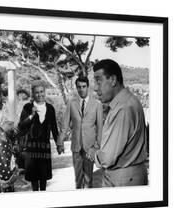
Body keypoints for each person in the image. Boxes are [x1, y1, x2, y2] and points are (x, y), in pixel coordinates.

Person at [87, 59, 148, 187]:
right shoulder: (128, 101)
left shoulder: (122, 108)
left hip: (123, 179)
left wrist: (94, 153)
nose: (96, 88)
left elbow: (108, 158)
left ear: (113, 80)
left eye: (99, 80)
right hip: (129, 176)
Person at [57, 75, 103, 189]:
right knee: (78, 180)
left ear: (88, 87)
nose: (81, 89)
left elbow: (101, 128)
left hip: (90, 147)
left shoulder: (97, 104)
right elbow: (65, 125)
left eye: (83, 86)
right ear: (76, 88)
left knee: (88, 179)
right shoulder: (71, 104)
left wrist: (96, 146)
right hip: (76, 147)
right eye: (79, 87)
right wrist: (60, 142)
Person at [18, 80, 60, 191]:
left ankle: (43, 201)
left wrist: (59, 144)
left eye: (42, 91)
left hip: (44, 148)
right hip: (31, 148)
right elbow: (21, 125)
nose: (40, 94)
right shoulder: (27, 107)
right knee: (34, 179)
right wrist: (31, 115)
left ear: (44, 92)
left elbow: (54, 128)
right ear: (33, 94)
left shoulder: (50, 108)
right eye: (37, 92)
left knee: (44, 178)